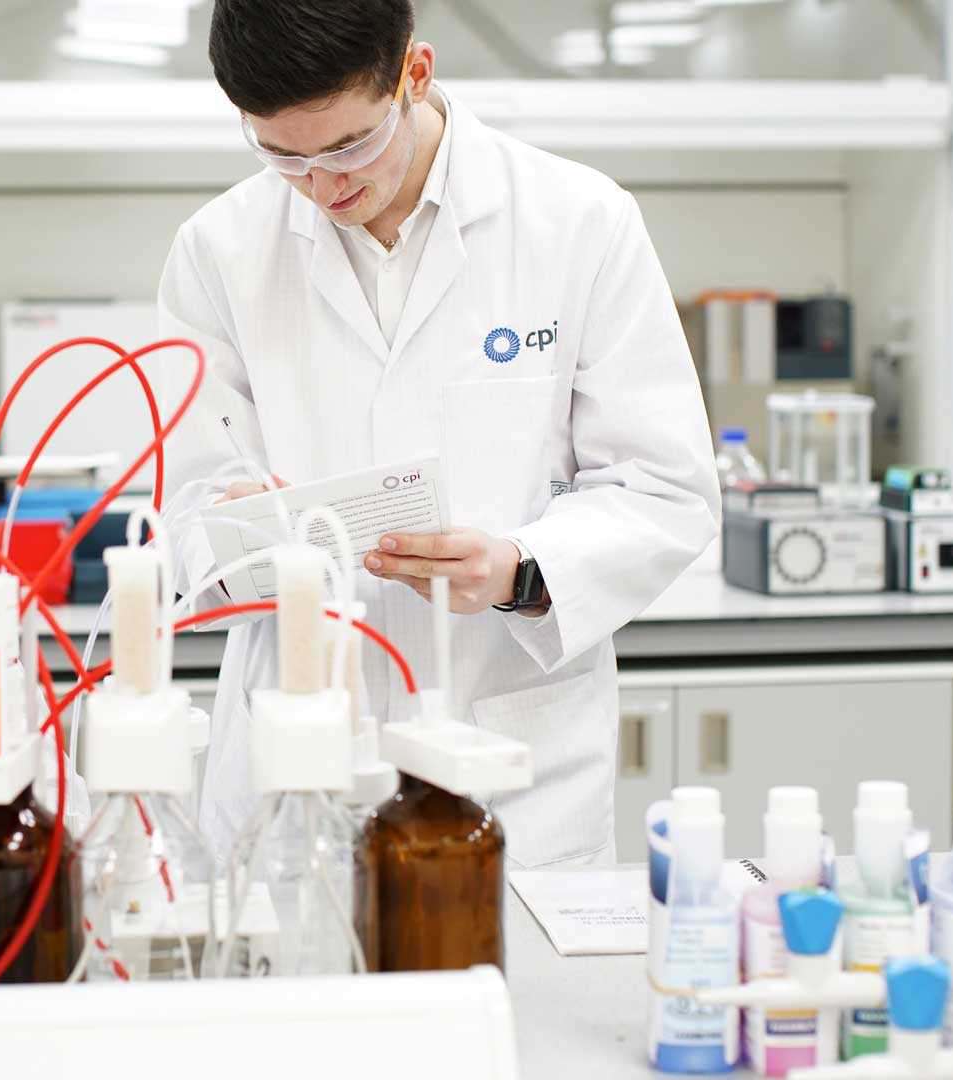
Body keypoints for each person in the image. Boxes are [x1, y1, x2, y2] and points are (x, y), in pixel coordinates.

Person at [160, 0, 720, 866]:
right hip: (297, 752)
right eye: (282, 156)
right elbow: (189, 500)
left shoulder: (576, 222)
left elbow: (665, 487)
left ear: (414, 74)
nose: (322, 186)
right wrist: (238, 527)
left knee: (509, 990)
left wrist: (518, 569)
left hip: (506, 753)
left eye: (349, 146)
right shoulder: (218, 251)